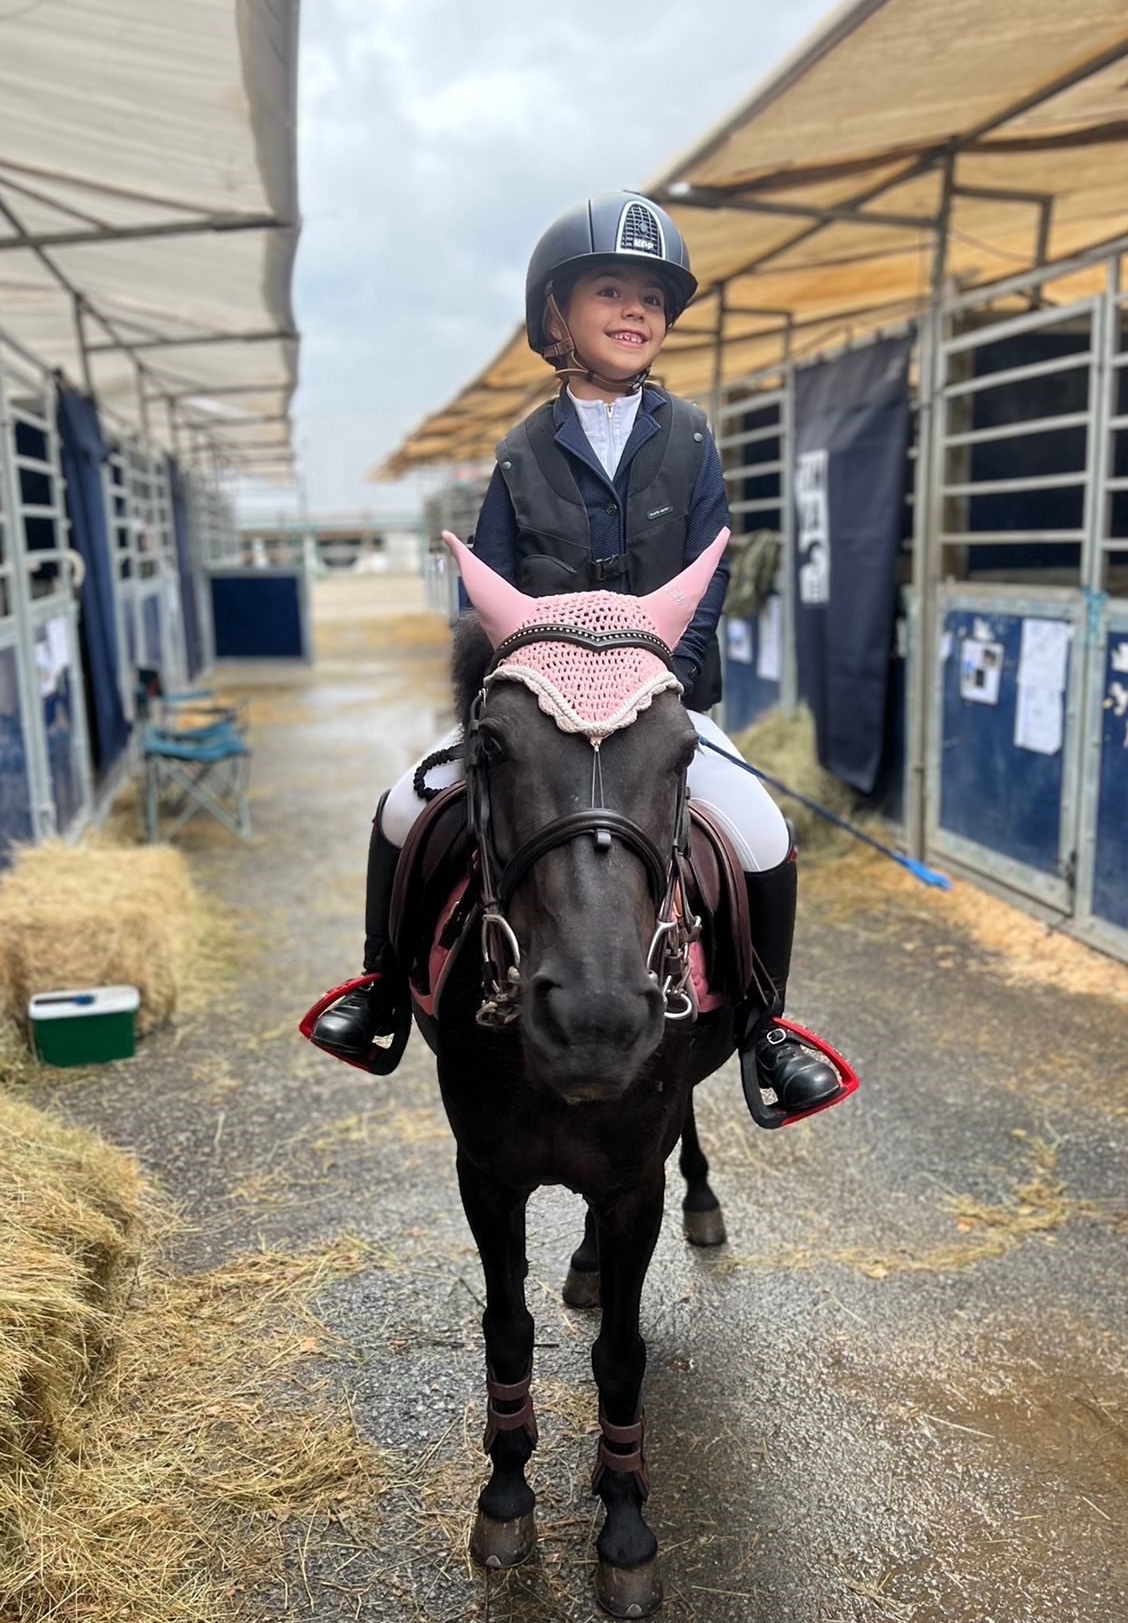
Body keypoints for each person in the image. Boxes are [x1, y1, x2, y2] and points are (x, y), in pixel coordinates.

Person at [313, 190, 840, 1119]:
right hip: (544, 712)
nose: (635, 310)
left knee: (759, 830)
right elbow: (487, 599)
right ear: (557, 316)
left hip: (655, 706)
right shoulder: (519, 451)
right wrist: (495, 703)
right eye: (610, 290)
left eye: (652, 297)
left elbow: (710, 573)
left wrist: (668, 678)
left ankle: (767, 1029)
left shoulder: (693, 437)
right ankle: (382, 988)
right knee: (403, 808)